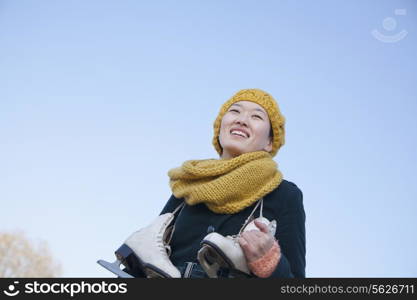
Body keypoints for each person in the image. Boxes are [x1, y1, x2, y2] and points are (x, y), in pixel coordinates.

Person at [149, 88, 305, 278]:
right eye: (235, 111)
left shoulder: (284, 195)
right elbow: (146, 260)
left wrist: (270, 262)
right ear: (220, 128)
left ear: (269, 143)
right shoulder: (188, 185)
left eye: (256, 116)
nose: (242, 119)